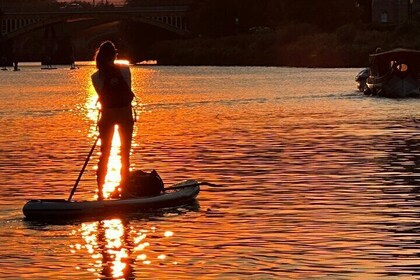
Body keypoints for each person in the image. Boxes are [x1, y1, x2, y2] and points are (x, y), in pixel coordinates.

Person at [91, 41, 135, 200]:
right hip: (124, 115)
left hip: (107, 116)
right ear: (114, 55)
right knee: (125, 154)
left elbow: (101, 94)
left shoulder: (95, 77)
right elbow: (128, 88)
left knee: (104, 154)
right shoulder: (124, 70)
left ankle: (100, 193)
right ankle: (125, 191)